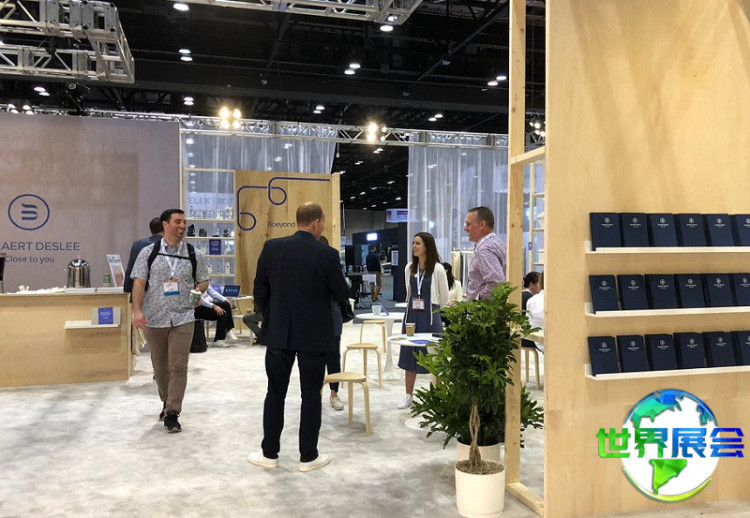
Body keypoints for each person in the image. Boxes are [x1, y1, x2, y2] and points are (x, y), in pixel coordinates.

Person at [248, 202, 349, 472]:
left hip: (278, 333)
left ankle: (269, 454)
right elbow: (341, 292)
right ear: (316, 223)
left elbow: (259, 289)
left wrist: (272, 316)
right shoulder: (327, 254)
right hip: (314, 335)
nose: (323, 226)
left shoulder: (272, 248)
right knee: (311, 395)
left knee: (275, 393)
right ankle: (308, 457)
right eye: (323, 222)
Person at [131, 209, 209, 433]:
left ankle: (173, 412)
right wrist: (137, 310)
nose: (182, 226)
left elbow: (203, 280)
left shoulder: (193, 253)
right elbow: (139, 283)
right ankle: (166, 401)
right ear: (165, 224)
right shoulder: (148, 253)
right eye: (177, 221)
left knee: (179, 366)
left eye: (184, 222)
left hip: (183, 316)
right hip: (155, 317)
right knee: (160, 367)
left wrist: (198, 290)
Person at [397, 232, 449, 409]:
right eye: (413, 243)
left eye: (418, 243)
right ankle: (408, 395)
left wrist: (436, 312)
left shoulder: (438, 269)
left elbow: (444, 297)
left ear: (427, 246)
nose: (414, 246)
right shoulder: (409, 268)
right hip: (412, 315)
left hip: (430, 315)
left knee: (434, 354)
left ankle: (439, 395)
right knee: (409, 354)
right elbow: (410, 292)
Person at [319, 235, 345, 411]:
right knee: (313, 358)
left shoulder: (333, 265)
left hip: (331, 317)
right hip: (311, 320)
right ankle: (315, 394)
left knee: (333, 356)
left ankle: (334, 393)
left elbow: (342, 291)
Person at [464, 206, 507, 300]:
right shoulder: (500, 244)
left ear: (482, 225)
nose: (465, 228)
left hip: (484, 308)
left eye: (468, 224)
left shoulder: (484, 249)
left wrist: (477, 299)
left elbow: (496, 281)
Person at [123, 217, 162, 294]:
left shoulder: (138, 244)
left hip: (139, 290)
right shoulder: (167, 245)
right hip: (160, 292)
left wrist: (127, 288)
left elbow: (131, 267)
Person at [521, 272, 542, 350]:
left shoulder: (522, 295)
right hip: (528, 337)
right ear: (531, 285)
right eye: (539, 283)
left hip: (521, 335)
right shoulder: (530, 298)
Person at [526, 272, 545, 352]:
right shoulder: (560, 299)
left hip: (537, 341)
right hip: (549, 341)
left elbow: (528, 322)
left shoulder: (532, 300)